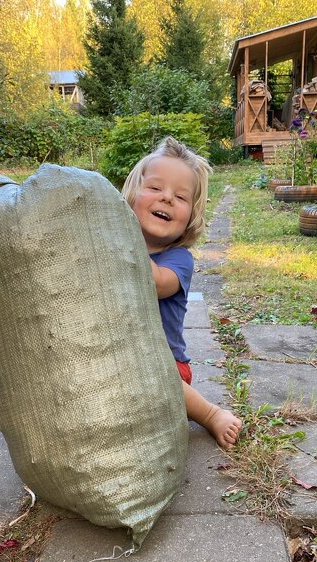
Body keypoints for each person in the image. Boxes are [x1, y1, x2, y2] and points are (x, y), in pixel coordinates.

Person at [122, 137, 242, 451]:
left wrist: (118, 239)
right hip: (119, 357)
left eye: (180, 196)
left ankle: (210, 413)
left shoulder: (178, 259)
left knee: (150, 373)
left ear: (190, 216)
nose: (167, 199)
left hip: (167, 366)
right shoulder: (114, 248)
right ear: (132, 194)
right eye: (155, 188)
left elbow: (156, 282)